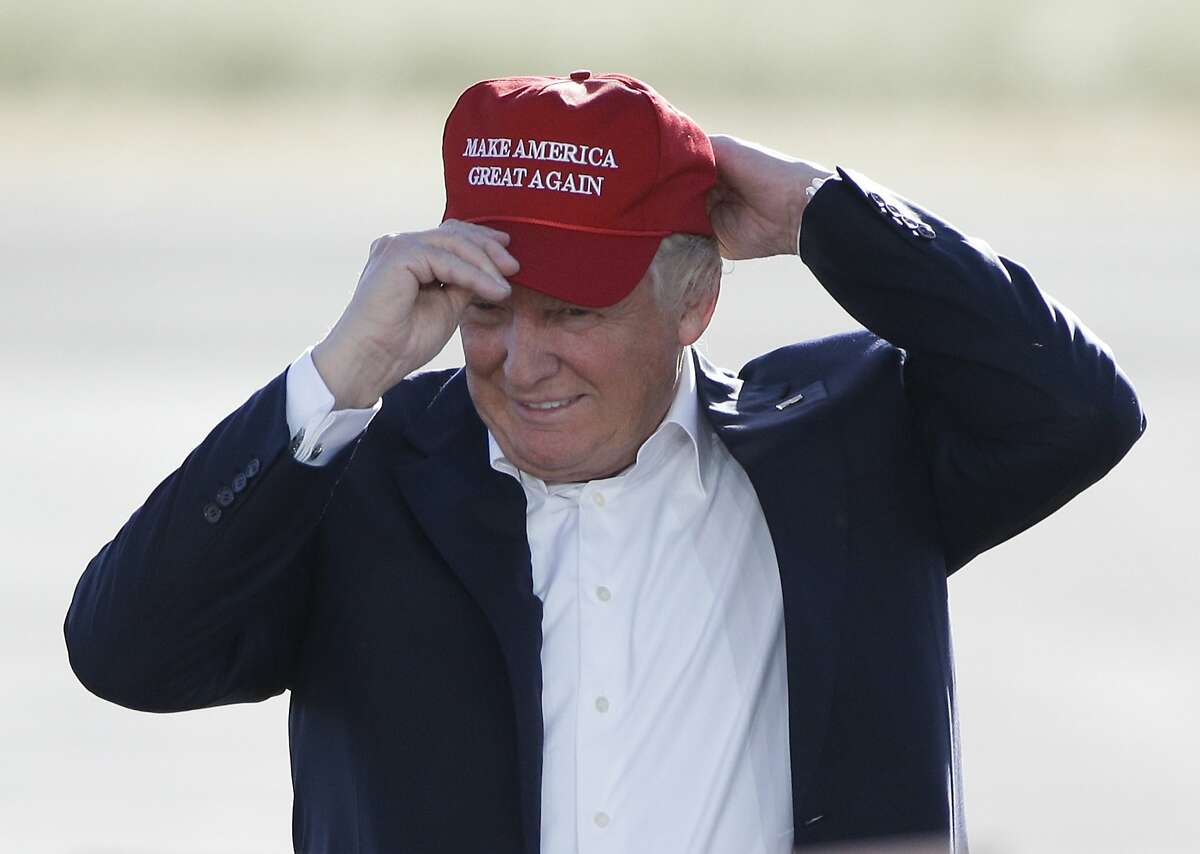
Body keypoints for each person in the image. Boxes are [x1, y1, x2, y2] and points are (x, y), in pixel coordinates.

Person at [64, 71, 1147, 854]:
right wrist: (341, 372)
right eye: (487, 307)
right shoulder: (362, 470)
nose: (522, 359)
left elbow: (1079, 407)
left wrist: (830, 217)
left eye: (572, 309)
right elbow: (128, 652)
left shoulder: (848, 446)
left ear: (695, 297)